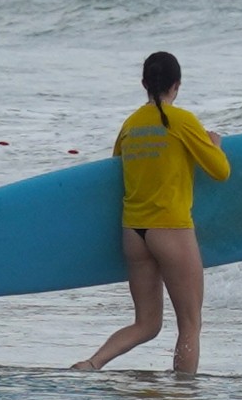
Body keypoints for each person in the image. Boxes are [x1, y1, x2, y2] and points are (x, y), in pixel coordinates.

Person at [73, 52, 230, 375]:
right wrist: (213, 145)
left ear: (144, 84)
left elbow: (115, 172)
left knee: (146, 323)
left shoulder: (130, 125)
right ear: (177, 85)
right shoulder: (183, 121)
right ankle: (183, 390)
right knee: (189, 324)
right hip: (170, 229)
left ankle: (92, 363)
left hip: (133, 233)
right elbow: (220, 171)